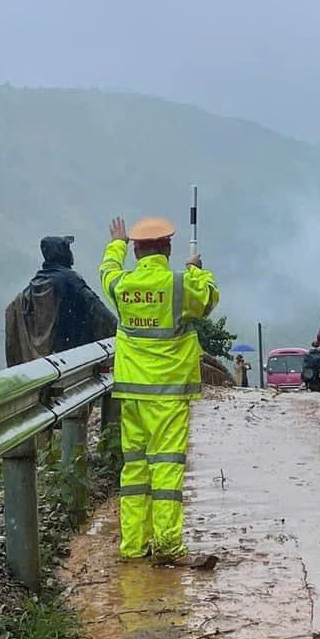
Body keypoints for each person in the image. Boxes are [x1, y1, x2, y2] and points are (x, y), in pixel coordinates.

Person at [100, 215, 220, 569]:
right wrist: (197, 268)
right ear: (167, 247)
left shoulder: (121, 285)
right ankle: (167, 544)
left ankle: (133, 545)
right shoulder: (180, 285)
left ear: (136, 250)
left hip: (132, 394)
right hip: (166, 393)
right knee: (166, 470)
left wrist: (115, 244)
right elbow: (209, 299)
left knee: (135, 470)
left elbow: (106, 270)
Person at [4, 235, 117, 365]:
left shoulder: (35, 284)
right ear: (61, 252)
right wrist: (120, 332)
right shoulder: (70, 280)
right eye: (67, 249)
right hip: (71, 357)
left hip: (47, 361)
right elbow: (98, 310)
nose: (71, 254)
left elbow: (13, 311)